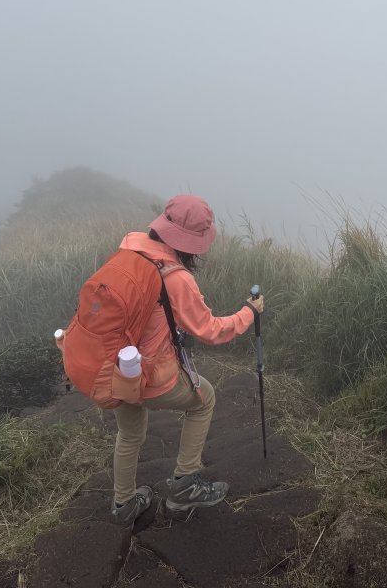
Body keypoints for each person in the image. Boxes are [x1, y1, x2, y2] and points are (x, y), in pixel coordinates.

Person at [110, 194, 265, 527]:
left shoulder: (128, 250)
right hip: (149, 374)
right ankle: (184, 485)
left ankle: (123, 504)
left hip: (114, 367)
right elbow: (211, 331)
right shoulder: (176, 277)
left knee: (131, 433)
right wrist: (248, 313)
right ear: (192, 242)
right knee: (204, 398)